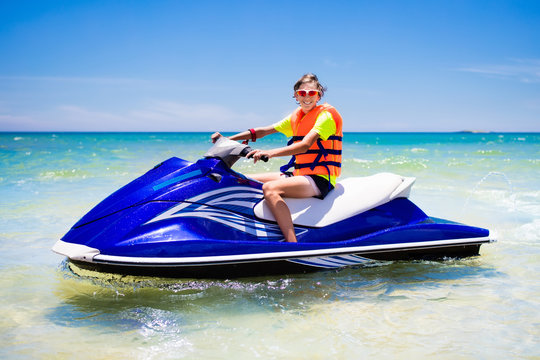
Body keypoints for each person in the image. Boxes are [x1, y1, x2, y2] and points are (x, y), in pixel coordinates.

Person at [211, 73, 343, 243]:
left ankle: (292, 243)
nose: (307, 97)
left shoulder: (326, 116)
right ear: (296, 95)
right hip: (299, 174)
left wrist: (269, 153)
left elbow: (305, 145)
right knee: (242, 180)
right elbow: (263, 131)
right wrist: (228, 140)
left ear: (319, 95)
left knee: (270, 189)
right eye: (302, 93)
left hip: (320, 179)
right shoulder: (298, 117)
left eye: (312, 93)